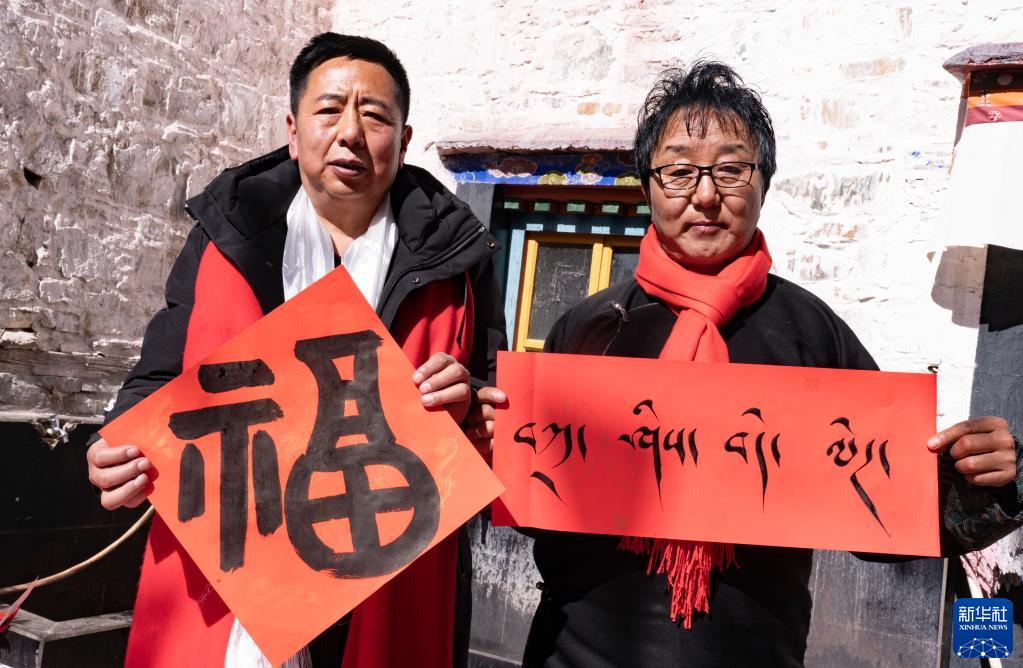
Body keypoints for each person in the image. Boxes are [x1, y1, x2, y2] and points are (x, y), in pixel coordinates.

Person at [467, 61, 1022, 667]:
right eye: (679, 171)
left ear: (764, 183)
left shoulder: (812, 334)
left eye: (731, 170)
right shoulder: (588, 328)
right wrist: (491, 452)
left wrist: (987, 480)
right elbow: (539, 509)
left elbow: (888, 520)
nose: (706, 195)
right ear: (648, 186)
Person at [86, 33, 505, 668]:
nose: (350, 133)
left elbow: (494, 398)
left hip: (389, 557)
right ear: (292, 129)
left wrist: (469, 396)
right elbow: (159, 376)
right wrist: (113, 445)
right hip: (238, 562)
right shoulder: (228, 238)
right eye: (329, 109)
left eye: (375, 116)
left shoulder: (458, 259)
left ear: (404, 140)